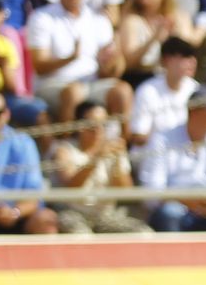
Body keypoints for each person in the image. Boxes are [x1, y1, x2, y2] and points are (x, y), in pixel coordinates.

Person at [138, 87, 206, 231]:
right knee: (170, 213)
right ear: (193, 112)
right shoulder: (162, 139)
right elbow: (152, 191)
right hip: (180, 211)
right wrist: (187, 200)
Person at [26, 0, 131, 123]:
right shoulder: (41, 17)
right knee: (73, 92)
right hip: (52, 84)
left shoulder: (99, 19)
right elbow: (39, 66)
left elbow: (114, 70)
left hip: (91, 84)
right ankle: (63, 137)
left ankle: (124, 141)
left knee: (123, 91)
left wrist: (113, 62)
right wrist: (70, 59)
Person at [51, 97, 153, 231]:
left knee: (142, 232)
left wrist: (117, 163)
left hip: (106, 216)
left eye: (103, 125)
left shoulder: (112, 148)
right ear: (79, 126)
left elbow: (126, 192)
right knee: (80, 236)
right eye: (92, 125)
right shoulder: (65, 150)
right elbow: (72, 186)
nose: (98, 130)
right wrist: (96, 158)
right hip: (74, 214)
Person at [0, 87, 58, 233]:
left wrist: (14, 212)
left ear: (7, 114)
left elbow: (34, 195)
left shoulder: (24, 143)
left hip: (18, 216)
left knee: (46, 219)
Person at [125, 33, 198, 145]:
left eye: (193, 56)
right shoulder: (147, 91)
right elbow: (139, 137)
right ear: (167, 59)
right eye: (185, 56)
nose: (192, 61)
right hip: (154, 155)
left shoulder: (195, 89)